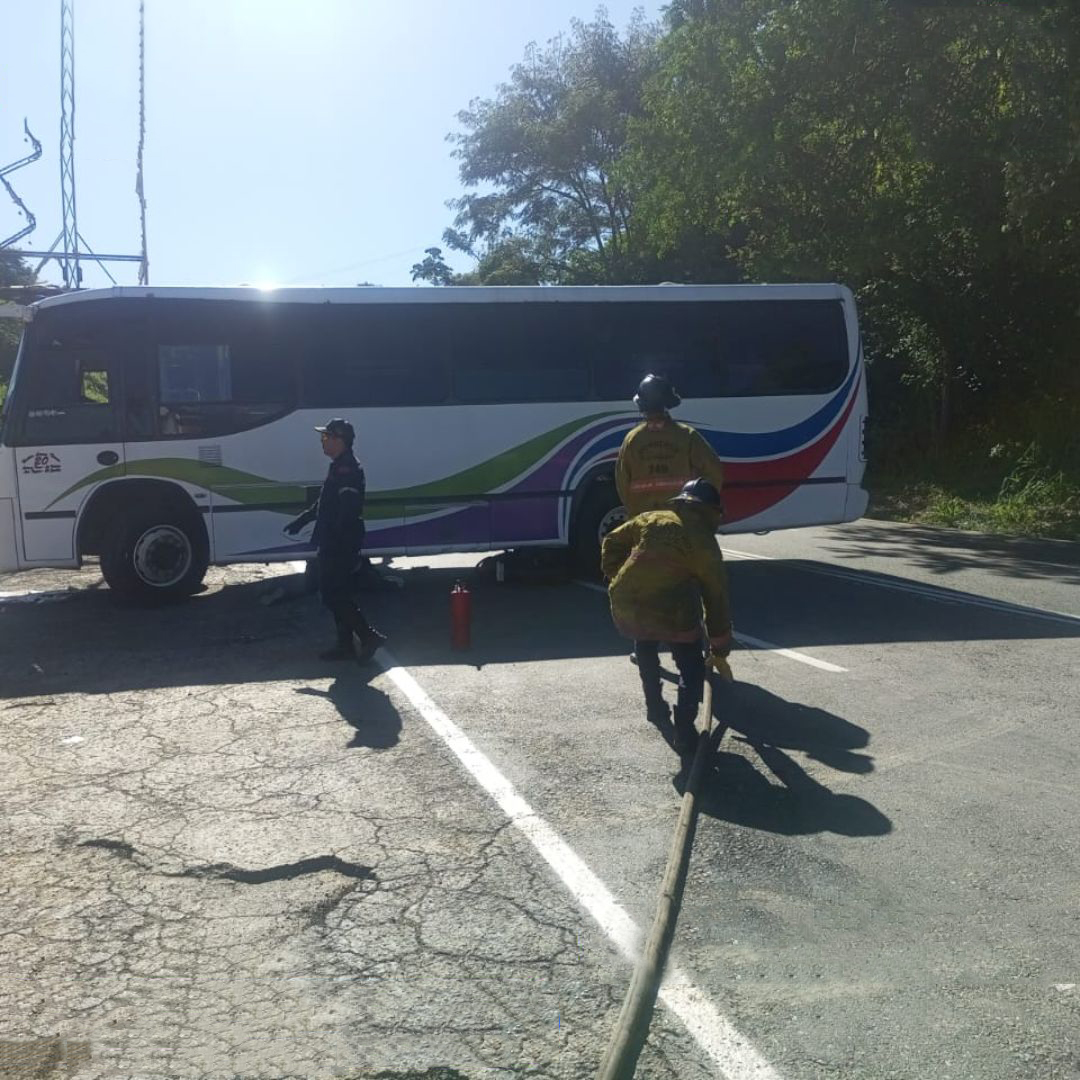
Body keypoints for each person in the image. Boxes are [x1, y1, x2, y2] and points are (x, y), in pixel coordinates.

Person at [601, 477, 733, 756]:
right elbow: (716, 596)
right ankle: (685, 733)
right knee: (691, 667)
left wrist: (617, 576)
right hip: (673, 610)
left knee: (645, 644)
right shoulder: (704, 544)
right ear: (710, 511)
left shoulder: (651, 518)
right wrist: (720, 645)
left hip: (629, 602)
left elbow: (612, 540)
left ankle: (654, 706)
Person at [285, 418, 387, 663]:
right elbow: (325, 502)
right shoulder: (338, 465)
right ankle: (345, 646)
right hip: (334, 539)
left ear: (339, 440)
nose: (323, 441)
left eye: (326, 437)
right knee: (337, 592)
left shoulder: (347, 469)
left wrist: (336, 540)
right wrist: (303, 519)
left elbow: (348, 510)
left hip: (341, 540)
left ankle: (368, 636)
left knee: (332, 594)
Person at [615, 374, 726, 517]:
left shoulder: (632, 440)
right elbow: (714, 472)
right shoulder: (687, 436)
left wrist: (636, 512)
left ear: (641, 405)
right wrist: (700, 506)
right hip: (681, 519)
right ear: (668, 404)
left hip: (645, 521)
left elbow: (622, 482)